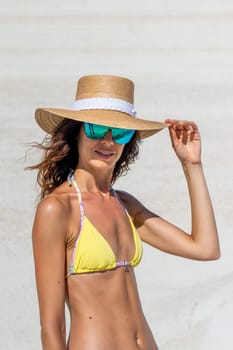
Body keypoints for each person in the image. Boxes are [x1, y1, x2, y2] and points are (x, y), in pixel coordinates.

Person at [31, 74, 220, 350]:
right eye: (96, 129)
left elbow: (206, 248)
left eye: (119, 132)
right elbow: (52, 327)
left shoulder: (126, 206)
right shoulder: (57, 210)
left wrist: (192, 165)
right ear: (77, 131)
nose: (108, 141)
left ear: (128, 141)